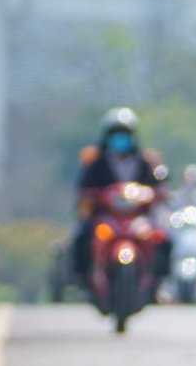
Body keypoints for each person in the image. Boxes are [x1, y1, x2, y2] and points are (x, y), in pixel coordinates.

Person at [71, 107, 168, 280]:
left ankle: (159, 280)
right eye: (116, 135)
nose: (121, 139)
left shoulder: (146, 161)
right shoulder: (95, 162)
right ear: (107, 137)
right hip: (105, 216)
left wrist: (158, 192)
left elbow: (159, 182)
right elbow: (83, 187)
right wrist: (91, 196)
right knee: (82, 237)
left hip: (138, 217)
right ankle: (83, 279)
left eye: (125, 134)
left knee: (163, 238)